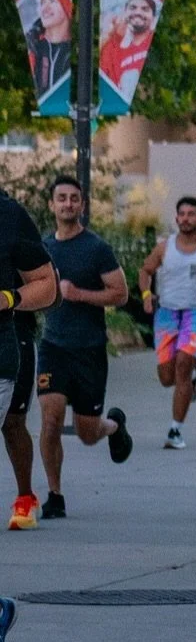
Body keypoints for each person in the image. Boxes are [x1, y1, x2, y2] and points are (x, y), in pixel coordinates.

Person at [36, 176, 133, 517]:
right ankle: (55, 494)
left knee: (88, 433)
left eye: (74, 199)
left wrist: (79, 295)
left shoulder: (96, 248)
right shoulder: (44, 248)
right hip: (53, 346)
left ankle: (114, 426)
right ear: (52, 205)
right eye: (61, 198)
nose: (67, 204)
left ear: (82, 205)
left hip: (89, 349)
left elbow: (120, 294)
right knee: (50, 419)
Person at [137, 196, 196, 450]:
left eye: (191, 214)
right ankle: (192, 376)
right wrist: (145, 296)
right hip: (167, 313)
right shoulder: (165, 248)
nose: (186, 218)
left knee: (184, 363)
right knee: (166, 377)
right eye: (182, 214)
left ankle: (176, 430)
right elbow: (145, 271)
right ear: (176, 218)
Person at [1, 189, 58, 533]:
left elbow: (47, 286)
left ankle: (25, 495)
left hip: (12, 334)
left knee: (14, 421)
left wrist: (8, 297)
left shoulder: (9, 215)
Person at [97, 0, 157, 104]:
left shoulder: (154, 47)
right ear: (125, 13)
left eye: (145, 9)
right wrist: (111, 34)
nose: (138, 12)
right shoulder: (116, 52)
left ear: (153, 17)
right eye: (133, 8)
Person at [25, 0, 72, 102]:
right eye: (43, 2)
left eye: (52, 1)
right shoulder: (33, 46)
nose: (45, 8)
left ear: (66, 7)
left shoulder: (74, 50)